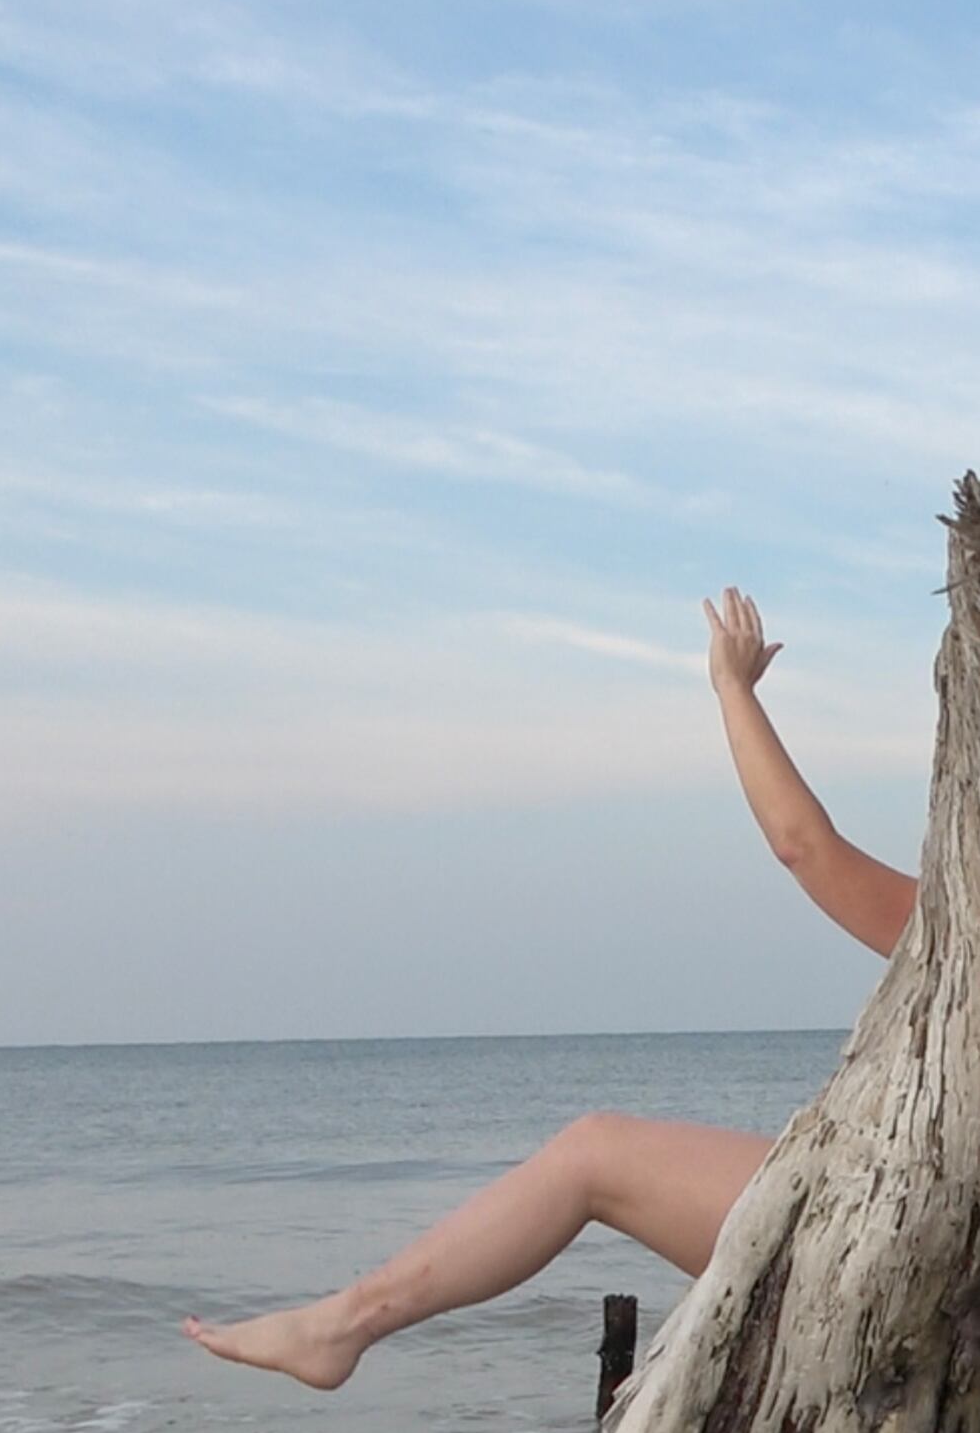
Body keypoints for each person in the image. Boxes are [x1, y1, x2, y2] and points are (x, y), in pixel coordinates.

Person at [184, 588, 909, 1389]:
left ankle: (346, 1325)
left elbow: (802, 846)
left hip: (913, 1246)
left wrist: (731, 690)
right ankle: (342, 1326)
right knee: (602, 1158)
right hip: (930, 1230)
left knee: (593, 1155)